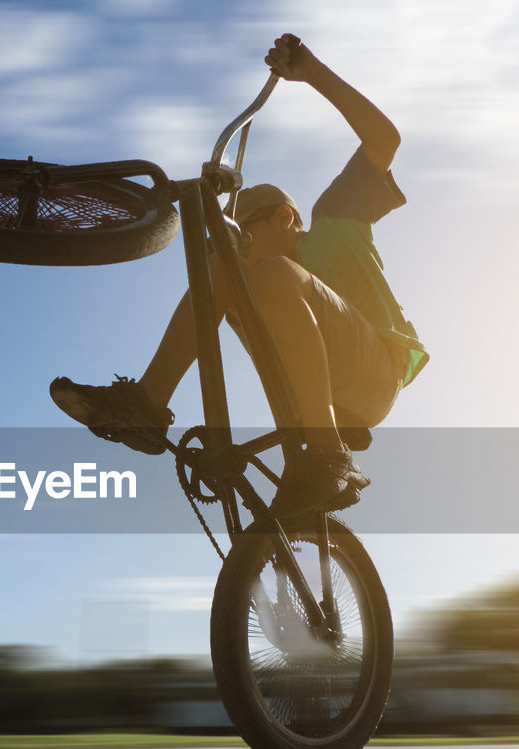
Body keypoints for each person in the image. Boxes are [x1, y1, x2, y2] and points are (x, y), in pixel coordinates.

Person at [50, 34, 428, 516]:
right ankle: (147, 405)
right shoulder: (257, 276)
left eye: (244, 231)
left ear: (284, 217)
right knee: (221, 275)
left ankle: (330, 453)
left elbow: (385, 139)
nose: (239, 244)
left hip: (375, 374)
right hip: (309, 387)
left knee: (268, 274)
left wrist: (312, 73)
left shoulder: (333, 219)